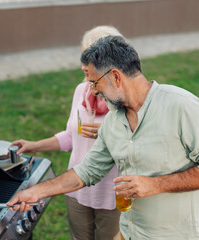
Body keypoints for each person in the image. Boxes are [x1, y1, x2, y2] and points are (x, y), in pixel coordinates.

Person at [8, 35, 199, 240]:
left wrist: (156, 184)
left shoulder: (182, 106)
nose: (93, 91)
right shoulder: (113, 122)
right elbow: (87, 171)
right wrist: (36, 191)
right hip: (129, 232)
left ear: (115, 76)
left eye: (94, 83)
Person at [10, 26, 122, 240]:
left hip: (112, 193)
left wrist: (111, 133)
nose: (83, 65)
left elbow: (139, 145)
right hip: (77, 189)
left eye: (89, 58)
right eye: (83, 57)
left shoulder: (127, 100)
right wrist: (34, 145)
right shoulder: (82, 91)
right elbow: (72, 136)